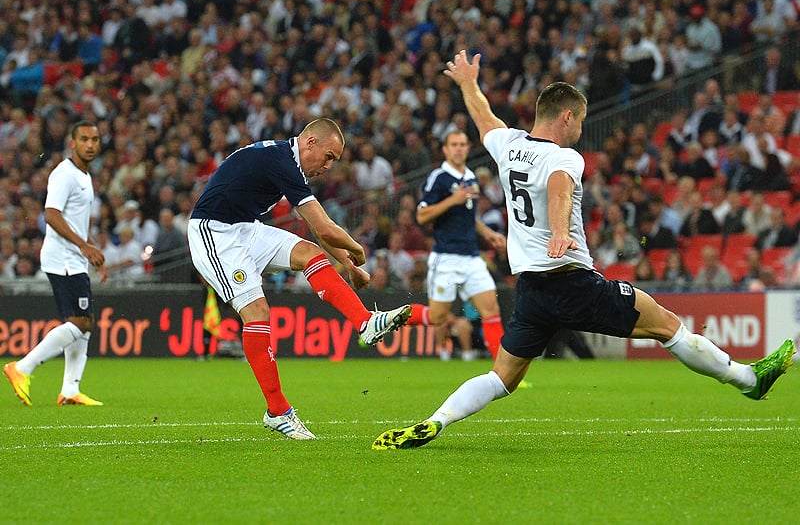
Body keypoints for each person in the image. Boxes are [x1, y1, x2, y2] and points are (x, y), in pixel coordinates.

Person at [372, 53, 795, 451]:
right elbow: (559, 188)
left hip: (532, 293)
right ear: (567, 116)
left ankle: (438, 419)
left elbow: (483, 117)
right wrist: (559, 232)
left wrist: (467, 83)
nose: (580, 131)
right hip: (574, 281)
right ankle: (747, 379)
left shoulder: (508, 146)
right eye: (580, 121)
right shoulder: (565, 156)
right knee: (667, 326)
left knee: (501, 377)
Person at [187, 118, 411, 441]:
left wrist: (347, 266)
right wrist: (358, 250)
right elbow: (325, 228)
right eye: (329, 156)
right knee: (258, 312)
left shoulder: (285, 159)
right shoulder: (284, 162)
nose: (329, 167)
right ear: (310, 143)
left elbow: (319, 238)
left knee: (307, 252)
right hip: (214, 232)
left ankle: (365, 322)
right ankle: (277, 411)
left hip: (245, 227)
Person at [4, 121, 107, 406]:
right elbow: (51, 215)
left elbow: (72, 220)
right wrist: (84, 245)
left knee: (83, 324)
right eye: (84, 139)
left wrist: (90, 248)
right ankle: (21, 368)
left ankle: (70, 390)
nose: (90, 144)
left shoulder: (84, 176)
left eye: (95, 139)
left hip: (73, 256)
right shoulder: (65, 174)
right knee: (81, 321)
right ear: (72, 143)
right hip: (62, 258)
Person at [402, 130, 508, 360]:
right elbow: (422, 216)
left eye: (463, 144)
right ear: (446, 149)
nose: (459, 148)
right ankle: (391, 320)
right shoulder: (439, 177)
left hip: (471, 257)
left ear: (468, 148)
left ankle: (504, 373)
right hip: (446, 257)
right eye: (454, 144)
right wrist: (452, 200)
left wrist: (488, 233)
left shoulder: (470, 177)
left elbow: (467, 215)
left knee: (491, 310)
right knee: (438, 317)